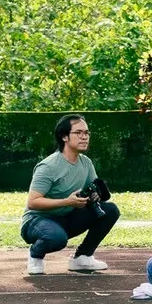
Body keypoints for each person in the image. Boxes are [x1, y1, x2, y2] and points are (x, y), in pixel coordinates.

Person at [20, 116, 119, 275]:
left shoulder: (85, 163)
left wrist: (95, 196)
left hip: (68, 216)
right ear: (64, 137)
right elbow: (33, 202)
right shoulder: (48, 166)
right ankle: (35, 254)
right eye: (78, 132)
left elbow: (95, 189)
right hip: (38, 221)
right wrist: (67, 201)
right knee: (56, 238)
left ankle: (82, 257)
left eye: (87, 133)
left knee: (110, 210)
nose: (84, 136)